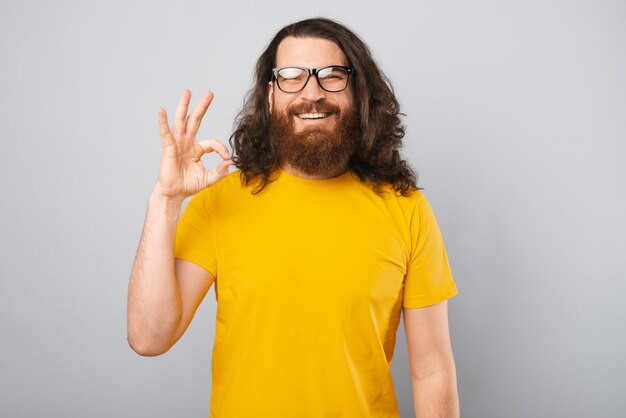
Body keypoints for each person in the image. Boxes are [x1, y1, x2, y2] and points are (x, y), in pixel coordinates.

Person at [127, 17, 460, 418]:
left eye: (332, 76)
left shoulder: (406, 209)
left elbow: (432, 371)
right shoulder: (220, 202)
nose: (312, 93)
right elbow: (149, 337)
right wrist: (164, 200)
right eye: (292, 77)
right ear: (271, 96)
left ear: (357, 92)